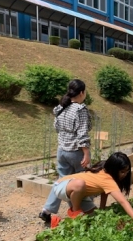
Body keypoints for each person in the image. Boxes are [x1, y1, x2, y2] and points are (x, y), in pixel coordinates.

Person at [39, 79, 92, 223]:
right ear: (81, 93)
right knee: (82, 182)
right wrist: (86, 153)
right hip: (76, 151)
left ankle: (47, 210)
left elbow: (57, 128)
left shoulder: (61, 108)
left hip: (62, 150)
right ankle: (86, 211)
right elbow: (82, 133)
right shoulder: (80, 109)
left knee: (61, 181)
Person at [49, 152, 133, 228]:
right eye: (122, 172)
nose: (125, 174)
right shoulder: (108, 180)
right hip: (62, 185)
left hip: (80, 194)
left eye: (127, 171)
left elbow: (104, 192)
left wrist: (102, 210)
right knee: (80, 184)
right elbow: (122, 201)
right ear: (113, 169)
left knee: (92, 220)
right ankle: (75, 211)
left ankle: (58, 224)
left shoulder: (105, 171)